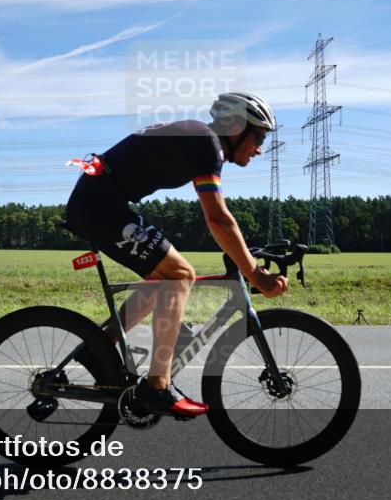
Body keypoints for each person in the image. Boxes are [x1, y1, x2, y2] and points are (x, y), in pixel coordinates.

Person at [65, 92, 288, 418]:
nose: (260, 148)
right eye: (258, 136)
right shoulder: (207, 143)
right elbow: (218, 218)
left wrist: (246, 257)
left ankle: (100, 346)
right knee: (180, 275)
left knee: (163, 281)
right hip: (100, 205)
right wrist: (255, 273)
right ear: (238, 126)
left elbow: (218, 219)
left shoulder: (204, 141)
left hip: (101, 201)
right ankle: (157, 386)